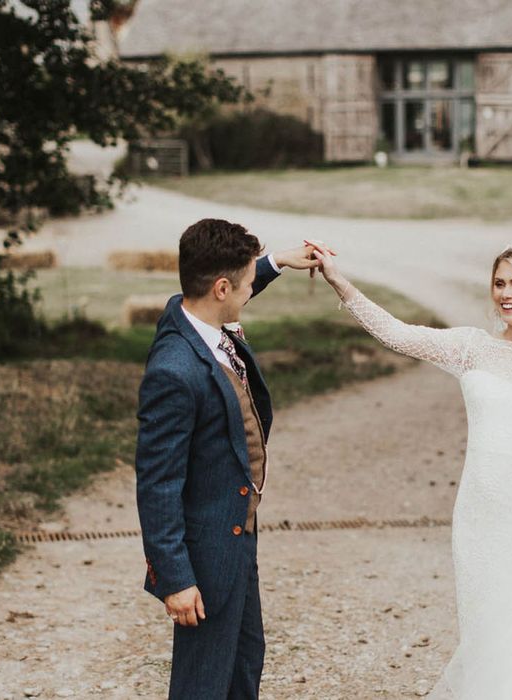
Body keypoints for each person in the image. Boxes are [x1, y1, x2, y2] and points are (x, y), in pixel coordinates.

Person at [309, 239, 512, 700]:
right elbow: (397, 333)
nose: (506, 293)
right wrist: (338, 280)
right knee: (486, 631)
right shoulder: (473, 348)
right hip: (479, 515)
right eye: (500, 283)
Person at [135, 218, 318, 699]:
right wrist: (175, 579)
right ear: (220, 288)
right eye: (247, 283)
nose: (249, 288)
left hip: (238, 533)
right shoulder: (174, 372)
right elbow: (157, 484)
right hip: (206, 550)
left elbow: (233, 284)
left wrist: (276, 262)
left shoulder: (192, 313)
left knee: (242, 662)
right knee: (203, 681)